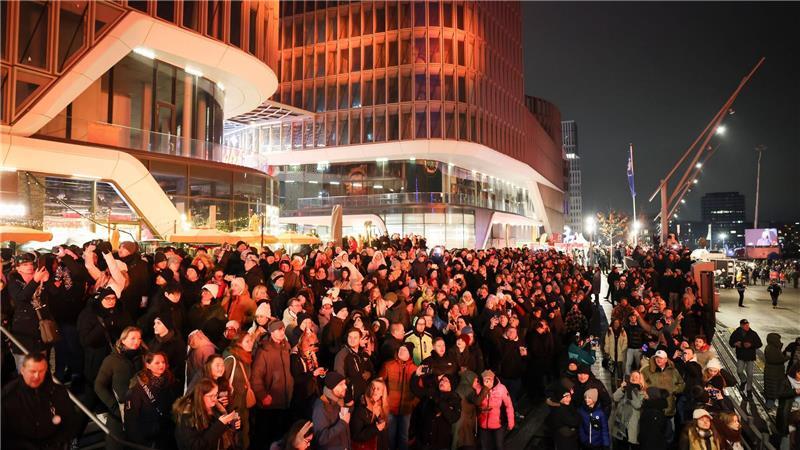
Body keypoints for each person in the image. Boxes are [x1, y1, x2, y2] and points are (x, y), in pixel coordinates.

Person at [1, 353, 80, 450]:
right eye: (32, 371)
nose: (36, 376)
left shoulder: (58, 392)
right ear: (22, 370)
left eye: (41, 371)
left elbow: (70, 424)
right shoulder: (8, 397)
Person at [95, 325, 144, 450]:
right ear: (123, 340)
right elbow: (99, 385)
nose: (137, 341)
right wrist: (114, 407)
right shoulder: (112, 360)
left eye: (139, 338)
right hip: (118, 416)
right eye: (132, 338)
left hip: (138, 413)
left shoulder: (142, 358)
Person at [251, 319, 295, 448]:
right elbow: (256, 377)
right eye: (278, 330)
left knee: (281, 436)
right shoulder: (264, 351)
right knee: (267, 437)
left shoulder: (286, 347)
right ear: (271, 332)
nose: (282, 332)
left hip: (285, 399)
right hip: (270, 402)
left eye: (282, 329)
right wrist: (262, 395)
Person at [124, 351, 180, 449]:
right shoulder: (138, 389)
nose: (161, 365)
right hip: (150, 439)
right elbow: (131, 420)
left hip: (169, 435)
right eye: (157, 363)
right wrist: (141, 444)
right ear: (148, 365)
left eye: (163, 362)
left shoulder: (171, 382)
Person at [173, 378, 241, 450]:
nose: (214, 399)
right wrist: (220, 424)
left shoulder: (215, 407)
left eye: (216, 394)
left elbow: (218, 430)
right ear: (200, 396)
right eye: (210, 396)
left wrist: (230, 424)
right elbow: (195, 446)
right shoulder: (187, 416)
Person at [641, 349, 685, 440]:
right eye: (657, 357)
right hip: (653, 408)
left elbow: (682, 384)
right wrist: (647, 392)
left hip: (669, 408)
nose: (658, 360)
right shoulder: (646, 370)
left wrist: (673, 390)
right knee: (653, 434)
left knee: (669, 433)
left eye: (661, 358)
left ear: (666, 359)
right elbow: (640, 384)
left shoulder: (673, 371)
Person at [380, 344, 418, 450]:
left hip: (406, 409)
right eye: (400, 349)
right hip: (390, 408)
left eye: (405, 350)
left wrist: (412, 403)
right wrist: (384, 401)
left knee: (403, 436)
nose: (401, 351)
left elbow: (419, 389)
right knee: (390, 436)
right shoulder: (388, 365)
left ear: (410, 354)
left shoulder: (414, 369)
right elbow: (379, 383)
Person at [223, 332, 256, 449]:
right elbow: (222, 383)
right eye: (247, 341)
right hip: (233, 406)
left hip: (242, 404)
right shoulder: (231, 360)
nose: (251, 343)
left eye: (251, 340)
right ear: (238, 343)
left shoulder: (245, 357)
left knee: (243, 434)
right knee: (235, 437)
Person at [312, 371, 352, 450]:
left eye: (344, 383)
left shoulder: (338, 401)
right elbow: (321, 439)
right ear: (331, 387)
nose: (345, 387)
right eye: (341, 384)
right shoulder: (320, 407)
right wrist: (343, 423)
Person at [476, 369, 515, 450]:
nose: (487, 381)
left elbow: (509, 405)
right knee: (485, 447)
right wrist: (480, 409)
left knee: (499, 446)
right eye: (485, 379)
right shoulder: (478, 388)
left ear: (493, 378)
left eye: (489, 379)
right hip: (483, 424)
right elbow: (475, 404)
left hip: (498, 424)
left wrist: (511, 422)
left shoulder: (501, 388)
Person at [350, 378, 390, 449]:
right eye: (373, 387)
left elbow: (384, 432)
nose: (375, 391)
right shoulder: (361, 408)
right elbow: (356, 436)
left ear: (382, 393)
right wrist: (376, 428)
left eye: (378, 389)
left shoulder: (382, 406)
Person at [610, 371, 646, 450]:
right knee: (620, 445)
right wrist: (622, 389)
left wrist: (631, 391)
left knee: (633, 445)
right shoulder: (625, 389)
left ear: (641, 380)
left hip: (633, 426)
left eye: (636, 377)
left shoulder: (642, 393)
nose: (633, 378)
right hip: (621, 424)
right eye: (632, 376)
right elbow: (615, 397)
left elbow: (637, 405)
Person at [728, 319, 762, 395]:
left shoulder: (753, 333)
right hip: (741, 355)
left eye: (748, 325)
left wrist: (751, 345)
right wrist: (735, 344)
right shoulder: (736, 333)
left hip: (750, 356)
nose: (747, 326)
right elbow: (730, 342)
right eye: (745, 325)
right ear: (741, 325)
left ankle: (749, 389)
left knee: (750, 373)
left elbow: (759, 344)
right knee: (739, 371)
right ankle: (743, 380)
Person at [764, 332, 790, 409]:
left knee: (773, 385)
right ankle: (770, 402)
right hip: (774, 372)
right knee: (772, 386)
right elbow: (779, 359)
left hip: (774, 371)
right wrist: (787, 357)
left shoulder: (771, 347)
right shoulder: (772, 349)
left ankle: (771, 400)